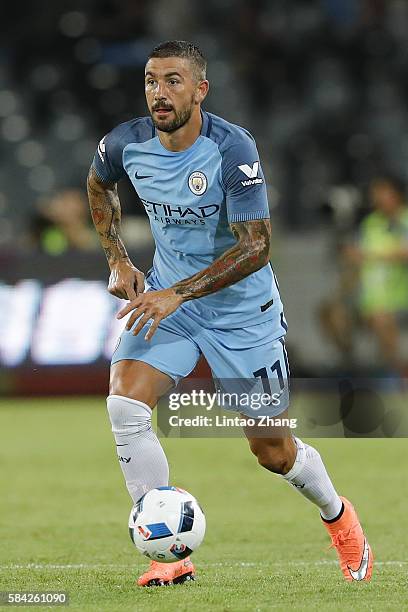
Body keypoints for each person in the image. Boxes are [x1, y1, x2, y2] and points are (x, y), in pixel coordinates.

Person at [87, 40, 373, 586]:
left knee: (272, 451)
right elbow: (98, 188)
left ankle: (339, 515)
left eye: (173, 81)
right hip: (171, 298)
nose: (159, 92)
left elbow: (256, 247)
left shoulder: (232, 148)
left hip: (242, 312)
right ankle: (168, 555)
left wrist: (178, 293)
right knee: (125, 403)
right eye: (151, 80)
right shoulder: (125, 143)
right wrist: (119, 259)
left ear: (200, 89)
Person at [320, 175, 408, 374]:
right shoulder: (371, 223)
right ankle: (350, 364)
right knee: (330, 312)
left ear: (396, 194)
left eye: (382, 192)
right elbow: (356, 260)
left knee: (381, 317)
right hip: (368, 300)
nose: (376, 197)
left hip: (399, 302)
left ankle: (395, 374)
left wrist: (367, 255)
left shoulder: (405, 220)